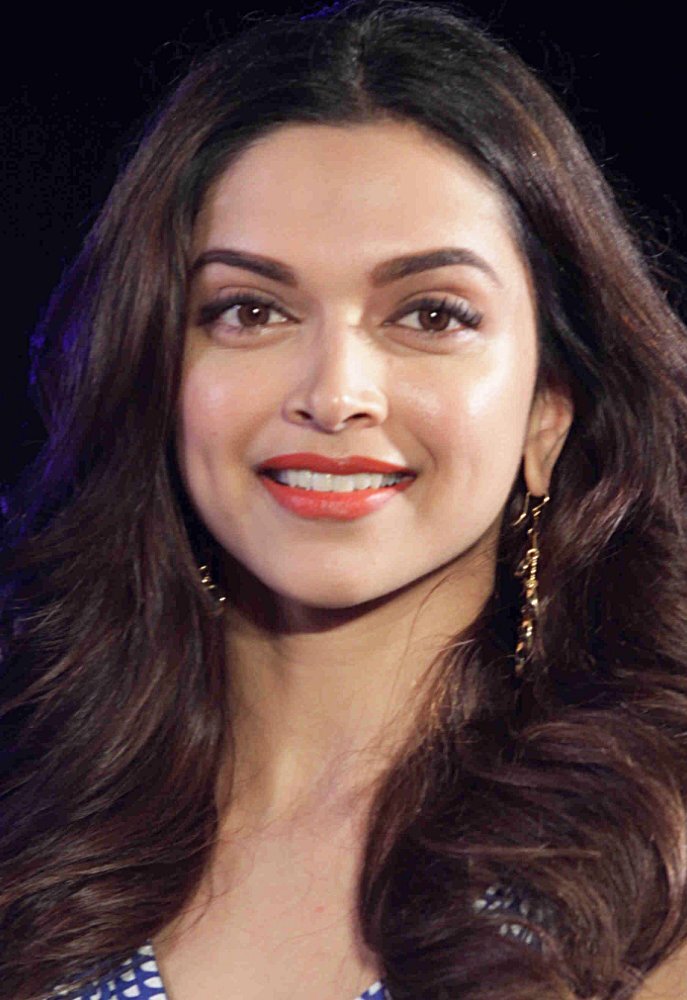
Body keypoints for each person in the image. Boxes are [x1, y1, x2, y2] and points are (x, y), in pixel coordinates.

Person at [1, 0, 686, 997]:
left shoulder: (650, 872)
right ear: (156, 373)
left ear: (548, 410)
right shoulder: (31, 809)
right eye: (250, 310)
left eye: (430, 315)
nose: (333, 394)